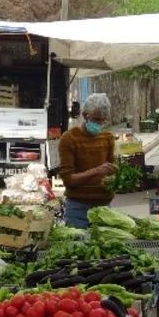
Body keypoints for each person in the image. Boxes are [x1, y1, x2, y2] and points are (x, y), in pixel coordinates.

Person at [58, 93, 116, 228]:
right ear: (85, 116)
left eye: (102, 121)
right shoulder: (69, 139)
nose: (99, 124)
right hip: (78, 209)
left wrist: (114, 174)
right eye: (96, 120)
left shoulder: (107, 138)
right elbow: (68, 179)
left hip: (104, 207)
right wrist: (96, 171)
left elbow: (111, 168)